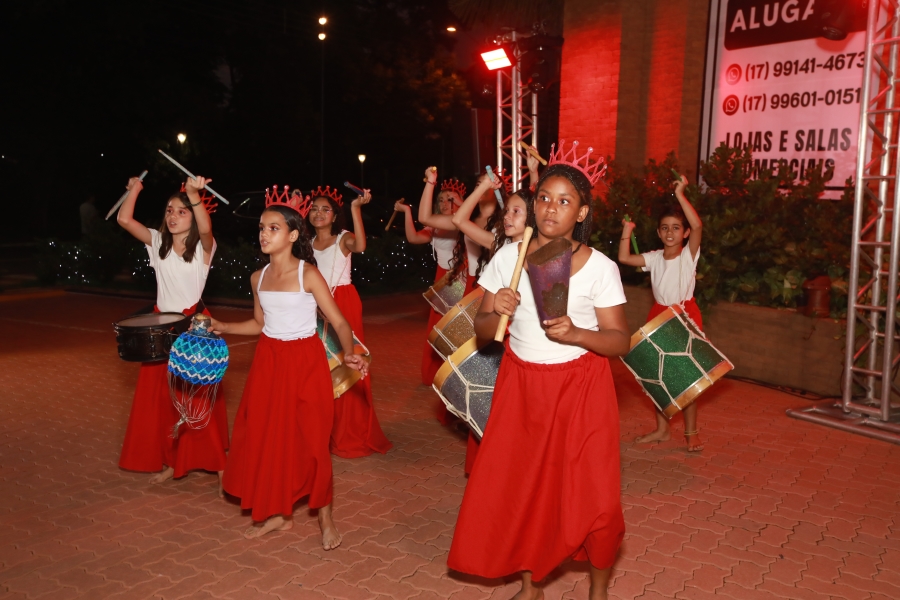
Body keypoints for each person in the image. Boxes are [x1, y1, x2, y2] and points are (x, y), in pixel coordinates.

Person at [448, 147, 631, 600]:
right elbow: (486, 333)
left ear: (582, 211)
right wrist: (497, 312)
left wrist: (579, 335)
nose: (551, 208)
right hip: (522, 385)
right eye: (545, 198)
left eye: (564, 201)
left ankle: (599, 587)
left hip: (580, 388)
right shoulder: (509, 256)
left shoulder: (601, 267)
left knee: (596, 497)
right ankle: (532, 585)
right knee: (528, 490)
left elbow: (619, 341)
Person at [211, 190, 363, 545]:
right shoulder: (257, 278)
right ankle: (279, 515)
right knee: (268, 437)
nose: (264, 234)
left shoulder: (307, 274)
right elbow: (259, 324)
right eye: (262, 228)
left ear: (293, 235)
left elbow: (339, 322)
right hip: (269, 362)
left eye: (273, 228)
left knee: (313, 439)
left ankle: (325, 518)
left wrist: (350, 353)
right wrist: (224, 326)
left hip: (305, 362)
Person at [116, 175, 228, 494]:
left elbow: (206, 230)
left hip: (195, 328)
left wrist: (193, 193)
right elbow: (124, 218)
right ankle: (170, 462)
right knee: (166, 398)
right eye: (169, 210)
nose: (173, 215)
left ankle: (219, 464)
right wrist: (134, 190)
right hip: (161, 327)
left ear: (193, 215)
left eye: (181, 211)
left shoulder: (204, 248)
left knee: (197, 398)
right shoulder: (157, 242)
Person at [450, 173, 535, 475]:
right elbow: (460, 220)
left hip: (526, 342)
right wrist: (483, 188)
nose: (508, 216)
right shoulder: (499, 245)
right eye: (507, 210)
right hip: (496, 335)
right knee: (493, 407)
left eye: (517, 211)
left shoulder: (550, 253)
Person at [618, 173, 704, 452]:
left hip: (685, 314)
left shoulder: (688, 255)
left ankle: (691, 432)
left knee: (686, 377)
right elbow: (624, 258)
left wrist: (680, 194)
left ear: (685, 233)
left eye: (677, 228)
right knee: (658, 375)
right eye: (665, 228)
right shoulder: (654, 258)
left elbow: (699, 224)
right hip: (659, 314)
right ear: (658, 232)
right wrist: (627, 231)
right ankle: (662, 430)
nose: (670, 232)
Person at [308, 186, 392, 458]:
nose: (319, 213)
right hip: (316, 307)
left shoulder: (343, 238)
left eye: (325, 209)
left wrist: (355, 208)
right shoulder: (306, 245)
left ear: (334, 216)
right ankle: (326, 430)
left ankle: (352, 430)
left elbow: (362, 246)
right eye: (314, 208)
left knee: (348, 361)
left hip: (343, 303)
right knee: (322, 367)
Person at [393, 177, 466, 386]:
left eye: (451, 199)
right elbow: (413, 238)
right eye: (442, 199)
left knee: (459, 327)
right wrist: (407, 212)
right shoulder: (435, 226)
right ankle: (438, 372)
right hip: (442, 278)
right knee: (440, 328)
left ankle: (458, 374)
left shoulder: (465, 221)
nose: (445, 203)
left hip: (462, 277)